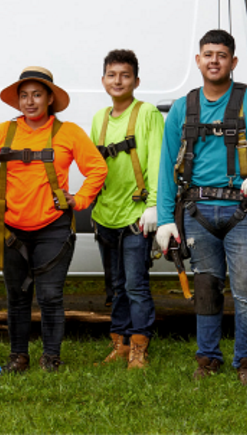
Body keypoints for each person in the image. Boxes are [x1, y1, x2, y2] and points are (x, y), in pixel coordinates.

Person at [0, 66, 107, 372]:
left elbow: (98, 169)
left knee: (50, 296)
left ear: (50, 98)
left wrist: (80, 198)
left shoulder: (68, 132)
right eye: (24, 96)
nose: (30, 102)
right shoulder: (3, 133)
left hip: (54, 228)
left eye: (37, 95)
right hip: (12, 230)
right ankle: (18, 357)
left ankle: (51, 358)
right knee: (17, 296)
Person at [156, 29, 247, 386]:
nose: (214, 60)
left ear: (233, 61)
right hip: (198, 212)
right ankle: (207, 359)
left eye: (221, 54)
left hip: (245, 211)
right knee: (205, 287)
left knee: (246, 291)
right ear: (198, 60)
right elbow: (167, 165)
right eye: (208, 54)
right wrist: (163, 220)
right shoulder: (183, 108)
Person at [90, 50, 164, 369]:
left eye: (124, 75)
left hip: (136, 216)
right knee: (117, 285)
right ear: (103, 79)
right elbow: (94, 167)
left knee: (136, 284)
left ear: (136, 80)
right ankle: (119, 343)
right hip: (105, 215)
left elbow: (158, 160)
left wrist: (154, 207)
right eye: (112, 74)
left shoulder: (147, 113)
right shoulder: (99, 118)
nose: (117, 81)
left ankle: (139, 346)